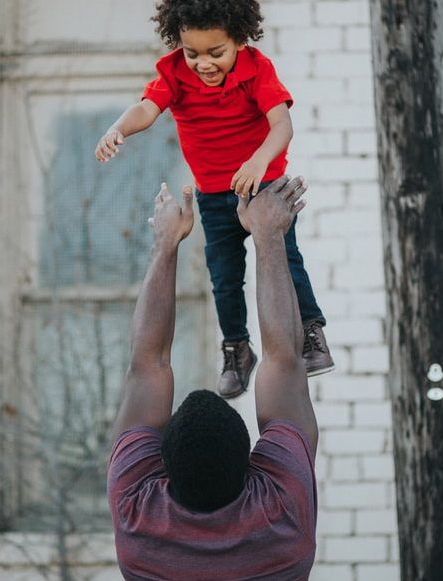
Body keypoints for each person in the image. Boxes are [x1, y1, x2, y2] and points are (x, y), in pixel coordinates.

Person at [95, 0, 333, 399]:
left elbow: (282, 125)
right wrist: (118, 129)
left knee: (285, 258)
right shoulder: (174, 73)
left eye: (216, 52)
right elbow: (147, 109)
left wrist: (259, 162)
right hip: (213, 193)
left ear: (240, 39)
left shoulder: (258, 71)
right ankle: (236, 349)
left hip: (263, 186)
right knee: (224, 275)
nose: (203, 63)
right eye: (193, 53)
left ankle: (311, 332)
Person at [107, 176, 319, 581]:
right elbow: (284, 363)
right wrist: (270, 238)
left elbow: (146, 367)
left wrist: (165, 245)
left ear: (163, 470)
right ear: (252, 464)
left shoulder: (137, 520)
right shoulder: (282, 514)